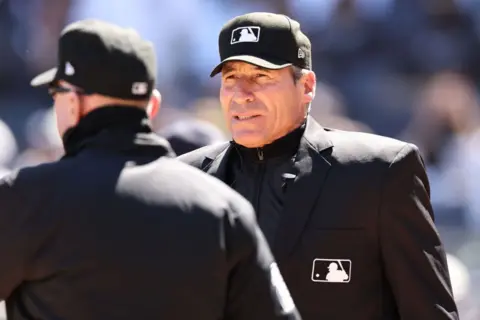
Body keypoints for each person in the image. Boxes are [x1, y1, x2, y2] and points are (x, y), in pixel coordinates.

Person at [0, 19, 301, 320]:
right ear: (152, 106)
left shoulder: (25, 198)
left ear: (74, 102)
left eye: (57, 95)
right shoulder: (224, 209)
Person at [178, 12, 459, 319]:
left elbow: (431, 312)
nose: (241, 95)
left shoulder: (379, 172)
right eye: (231, 78)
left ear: (307, 86)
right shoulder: (185, 179)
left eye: (261, 76)